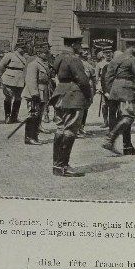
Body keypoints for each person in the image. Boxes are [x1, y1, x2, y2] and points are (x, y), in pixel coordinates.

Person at [50, 36, 91, 176]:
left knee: (60, 128)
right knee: (70, 130)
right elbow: (83, 80)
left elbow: (51, 74)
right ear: (73, 44)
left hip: (60, 94)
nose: (81, 46)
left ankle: (57, 166)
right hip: (73, 96)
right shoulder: (73, 59)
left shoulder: (59, 57)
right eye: (79, 43)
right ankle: (63, 166)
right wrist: (88, 95)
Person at [21, 43, 51, 145]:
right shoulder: (34, 64)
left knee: (39, 116)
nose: (47, 54)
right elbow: (31, 80)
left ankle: (35, 136)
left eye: (47, 52)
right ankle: (29, 137)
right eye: (45, 52)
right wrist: (34, 94)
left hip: (43, 92)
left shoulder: (43, 64)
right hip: (35, 93)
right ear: (39, 53)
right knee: (32, 115)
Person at [0, 42, 28, 124]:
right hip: (10, 79)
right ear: (17, 48)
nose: (24, 49)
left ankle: (14, 116)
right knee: (8, 97)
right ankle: (7, 116)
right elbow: (1, 66)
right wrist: (6, 75)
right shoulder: (10, 55)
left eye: (24, 47)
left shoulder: (25, 57)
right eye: (22, 47)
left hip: (21, 80)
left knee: (18, 98)